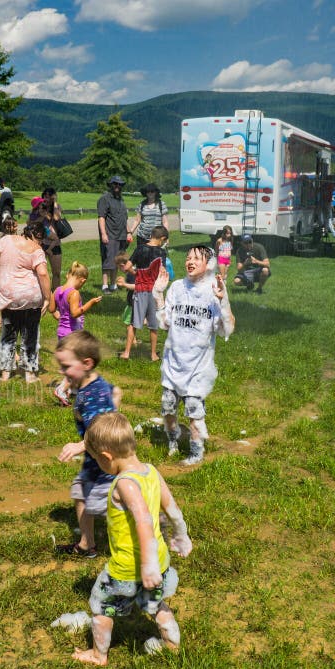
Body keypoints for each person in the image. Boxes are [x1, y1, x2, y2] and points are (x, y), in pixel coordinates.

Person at [54, 411, 193, 666]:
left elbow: (143, 521)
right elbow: (172, 508)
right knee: (155, 603)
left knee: (101, 606)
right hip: (159, 561)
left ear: (106, 457)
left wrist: (147, 564)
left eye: (96, 459)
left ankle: (98, 654)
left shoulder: (124, 484)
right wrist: (181, 535)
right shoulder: (151, 472)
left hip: (129, 567)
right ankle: (171, 644)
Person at [153, 245, 235, 465]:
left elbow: (227, 329)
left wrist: (223, 300)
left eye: (196, 259)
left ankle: (196, 453)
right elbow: (164, 323)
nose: (190, 262)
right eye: (188, 258)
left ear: (207, 264)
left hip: (198, 368)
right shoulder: (177, 288)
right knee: (168, 408)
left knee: (193, 412)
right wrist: (158, 294)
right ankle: (173, 441)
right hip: (173, 365)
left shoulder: (213, 290)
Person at [55, 331, 121, 557]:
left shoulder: (94, 393)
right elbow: (113, 391)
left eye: (65, 367)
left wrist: (78, 446)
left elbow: (99, 430)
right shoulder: (90, 385)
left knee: (115, 507)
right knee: (81, 492)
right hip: (95, 461)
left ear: (86, 363)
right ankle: (86, 544)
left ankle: (145, 537)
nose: (62, 372)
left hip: (107, 463)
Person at [0, 219, 51, 384]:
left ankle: (5, 373)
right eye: (41, 239)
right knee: (30, 336)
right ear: (38, 236)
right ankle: (30, 374)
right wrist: (47, 298)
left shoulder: (4, 241)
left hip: (9, 299)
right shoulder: (37, 250)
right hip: (32, 299)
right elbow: (42, 274)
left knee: (8, 336)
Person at [50, 261, 102, 405]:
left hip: (62, 331)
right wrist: (90, 303)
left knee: (73, 362)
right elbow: (75, 313)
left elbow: (52, 309)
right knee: (78, 364)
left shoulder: (58, 290)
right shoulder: (74, 293)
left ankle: (72, 390)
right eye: (83, 284)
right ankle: (62, 388)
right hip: (72, 333)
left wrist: (60, 317)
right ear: (82, 280)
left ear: (67, 274)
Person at [120, 226, 169, 362]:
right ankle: (153, 354)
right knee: (153, 324)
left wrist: (137, 274)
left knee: (133, 323)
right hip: (154, 292)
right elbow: (162, 271)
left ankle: (126, 353)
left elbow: (127, 268)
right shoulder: (161, 252)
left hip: (140, 290)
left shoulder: (140, 248)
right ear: (162, 238)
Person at [97, 176, 132, 294]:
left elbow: (124, 219)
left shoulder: (121, 200)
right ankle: (105, 285)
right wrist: (103, 234)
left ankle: (113, 285)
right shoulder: (104, 199)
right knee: (108, 261)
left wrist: (129, 232)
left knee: (117, 261)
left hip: (122, 236)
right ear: (110, 185)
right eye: (115, 184)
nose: (117, 186)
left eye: (120, 184)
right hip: (110, 235)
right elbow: (101, 218)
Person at [130, 183, 168, 250]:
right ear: (146, 193)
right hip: (142, 237)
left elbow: (165, 222)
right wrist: (130, 232)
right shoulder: (142, 204)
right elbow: (137, 220)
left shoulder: (161, 204)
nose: (150, 193)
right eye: (148, 191)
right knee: (142, 258)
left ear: (156, 192)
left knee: (155, 258)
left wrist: (166, 237)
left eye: (152, 191)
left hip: (157, 237)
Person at [40, 187, 65, 290]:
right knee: (41, 272)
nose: (47, 198)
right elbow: (48, 217)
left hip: (55, 244)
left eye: (49, 196)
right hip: (42, 243)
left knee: (56, 272)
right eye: (45, 196)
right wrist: (44, 207)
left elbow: (56, 218)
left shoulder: (58, 206)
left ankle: (56, 294)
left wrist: (55, 203)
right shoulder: (40, 207)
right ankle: (41, 293)